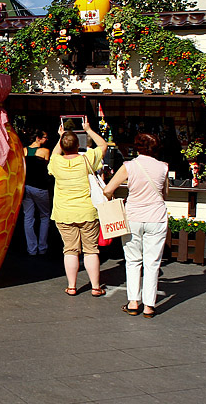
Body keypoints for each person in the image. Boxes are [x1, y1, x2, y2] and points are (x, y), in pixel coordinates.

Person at [103, 133, 168, 318]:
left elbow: (108, 189)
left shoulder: (129, 166)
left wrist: (114, 200)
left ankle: (133, 302)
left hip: (133, 217)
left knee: (132, 261)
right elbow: (165, 194)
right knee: (152, 263)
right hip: (156, 217)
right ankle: (149, 306)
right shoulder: (163, 167)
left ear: (137, 147)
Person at [48, 120, 108, 297]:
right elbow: (103, 145)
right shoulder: (86, 159)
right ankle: (96, 287)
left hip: (63, 212)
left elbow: (54, 155)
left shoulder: (56, 162)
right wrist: (89, 130)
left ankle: (72, 286)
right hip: (87, 211)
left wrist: (60, 138)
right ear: (78, 145)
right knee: (91, 250)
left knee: (70, 250)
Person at [22, 130, 52, 256]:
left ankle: (31, 248)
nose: (47, 140)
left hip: (26, 187)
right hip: (40, 187)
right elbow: (46, 168)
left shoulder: (24, 151)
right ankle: (42, 247)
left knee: (28, 217)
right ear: (38, 138)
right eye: (45, 137)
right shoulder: (45, 151)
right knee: (45, 216)